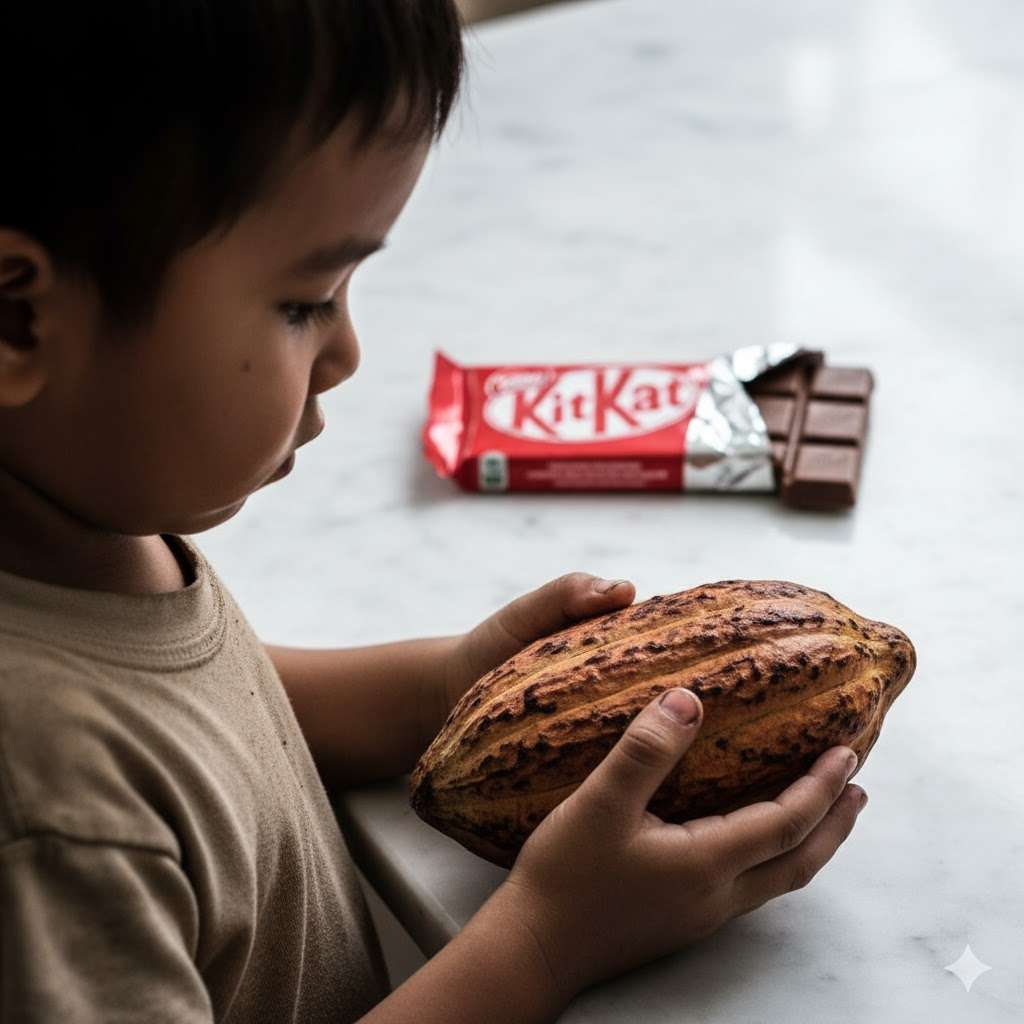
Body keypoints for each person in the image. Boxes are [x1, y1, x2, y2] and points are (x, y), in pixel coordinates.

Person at [0, 2, 868, 1021]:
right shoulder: (45, 822)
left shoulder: (77, 518)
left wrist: (442, 686)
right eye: (303, 300)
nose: (347, 352)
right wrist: (547, 938)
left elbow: (193, 711)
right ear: (19, 319)